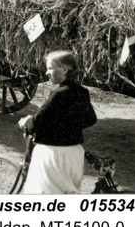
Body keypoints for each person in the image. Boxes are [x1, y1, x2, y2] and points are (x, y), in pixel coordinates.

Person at [18, 50, 97, 194]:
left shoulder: (58, 94)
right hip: (74, 154)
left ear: (65, 69)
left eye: (50, 68)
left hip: (53, 155)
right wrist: (68, 125)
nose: (47, 72)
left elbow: (36, 122)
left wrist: (26, 122)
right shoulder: (82, 91)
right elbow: (91, 119)